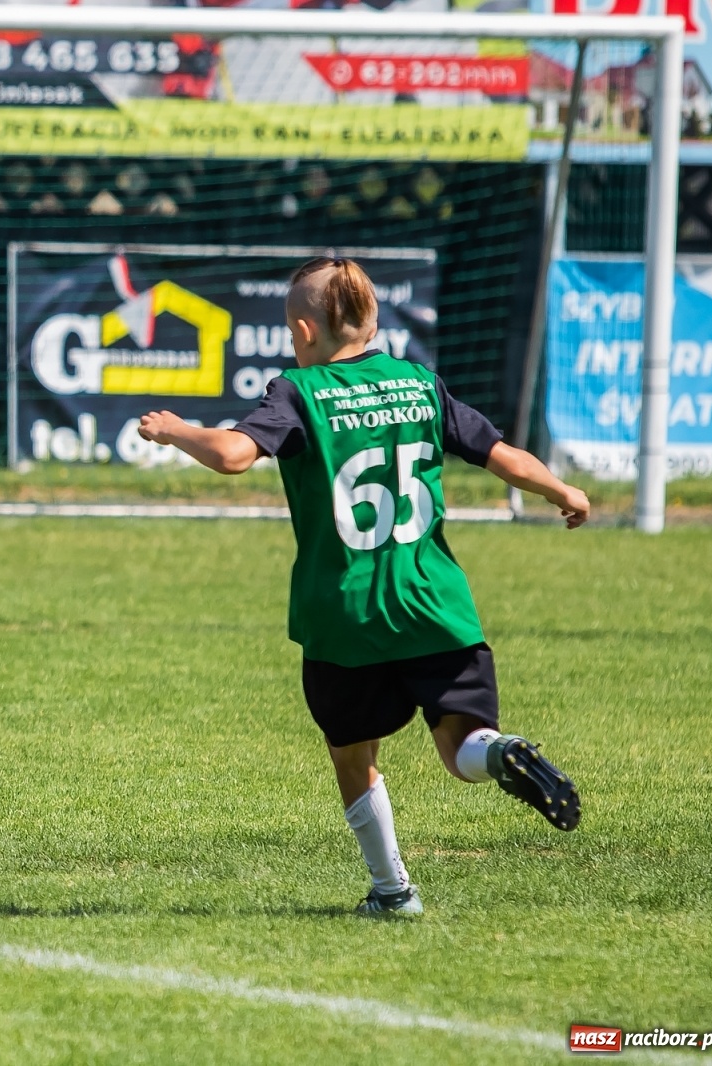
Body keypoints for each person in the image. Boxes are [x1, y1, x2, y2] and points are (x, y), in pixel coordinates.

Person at [138, 256, 589, 918]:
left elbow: (235, 455)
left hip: (347, 617)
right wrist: (561, 489)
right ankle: (502, 753)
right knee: (461, 746)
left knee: (352, 755)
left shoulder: (299, 391)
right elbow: (500, 455)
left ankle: (393, 891)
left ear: (303, 329)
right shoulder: (418, 383)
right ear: (372, 321)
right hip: (436, 607)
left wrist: (174, 429)